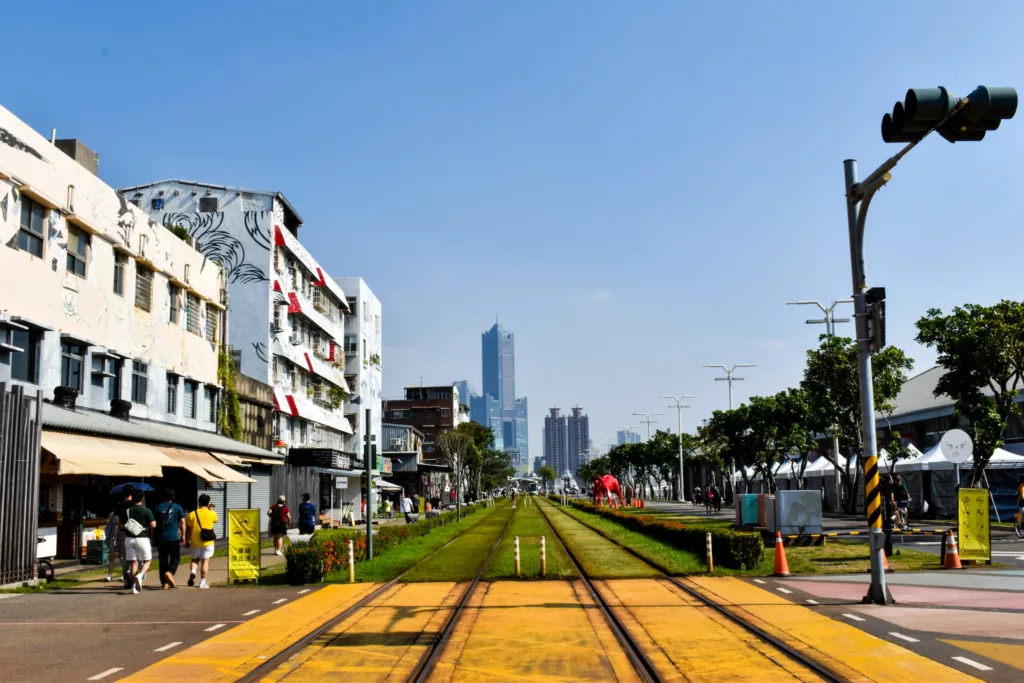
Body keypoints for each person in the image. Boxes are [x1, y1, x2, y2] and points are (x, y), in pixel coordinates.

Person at [122, 489, 156, 595]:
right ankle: (140, 575)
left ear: (132, 498)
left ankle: (133, 587)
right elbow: (153, 525)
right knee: (148, 560)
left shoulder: (127, 511)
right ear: (142, 498)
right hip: (142, 538)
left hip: (129, 538)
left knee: (133, 562)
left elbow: (122, 525)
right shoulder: (146, 511)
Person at [153, 488, 186, 589]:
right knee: (175, 557)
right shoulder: (177, 507)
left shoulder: (157, 508)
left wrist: (152, 537)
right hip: (173, 537)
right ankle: (170, 572)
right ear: (173, 497)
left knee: (163, 560)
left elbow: (153, 524)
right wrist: (183, 534)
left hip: (161, 538)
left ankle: (164, 583)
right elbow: (182, 522)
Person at [185, 494, 218, 589]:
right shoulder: (212, 513)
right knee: (205, 562)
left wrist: (187, 539)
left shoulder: (192, 514)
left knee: (195, 559)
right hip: (208, 542)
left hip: (195, 541)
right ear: (208, 503)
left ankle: (193, 572)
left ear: (199, 502)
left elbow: (188, 529)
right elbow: (216, 520)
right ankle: (202, 582)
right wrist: (210, 509)